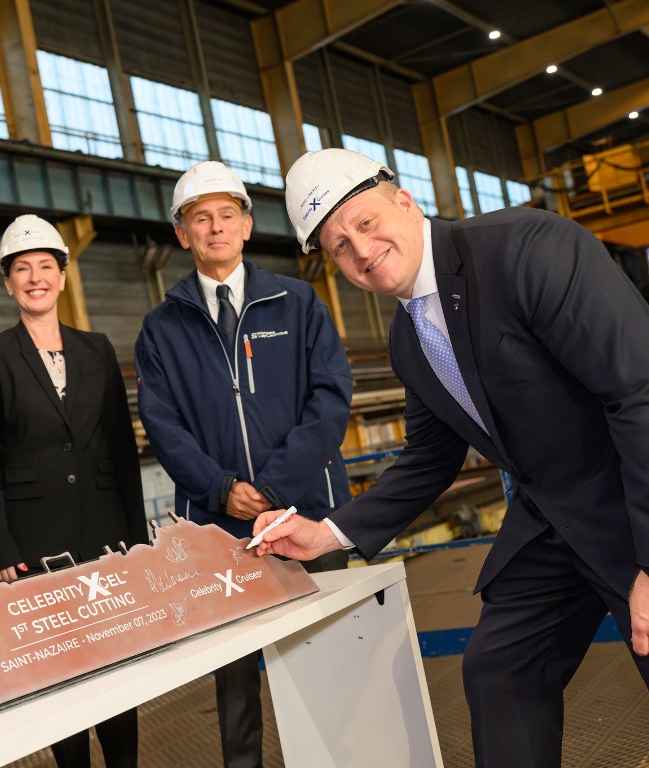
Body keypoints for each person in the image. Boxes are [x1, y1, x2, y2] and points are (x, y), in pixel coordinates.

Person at [253, 147, 649, 767]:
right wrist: (326, 533)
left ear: (405, 202)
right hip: (555, 517)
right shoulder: (408, 338)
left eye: (365, 222)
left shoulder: (526, 249)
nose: (361, 250)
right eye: (339, 246)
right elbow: (430, 459)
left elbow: (639, 391)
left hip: (632, 497)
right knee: (501, 671)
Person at [134, 160, 353, 768]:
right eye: (200, 218)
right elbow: (162, 424)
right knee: (235, 681)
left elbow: (330, 397)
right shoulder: (161, 327)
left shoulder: (298, 301)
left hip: (308, 512)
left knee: (324, 660)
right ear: (182, 234)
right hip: (218, 528)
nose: (215, 228)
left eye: (226, 215)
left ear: (247, 226)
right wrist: (219, 488)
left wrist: (276, 486)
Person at [0, 214, 146, 768]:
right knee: (61, 674)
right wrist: (1, 550)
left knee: (116, 667)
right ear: (7, 283)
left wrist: (138, 540)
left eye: (45, 266)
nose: (35, 278)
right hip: (35, 542)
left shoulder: (97, 349)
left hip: (105, 536)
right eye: (22, 269)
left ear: (63, 277)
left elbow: (122, 450)